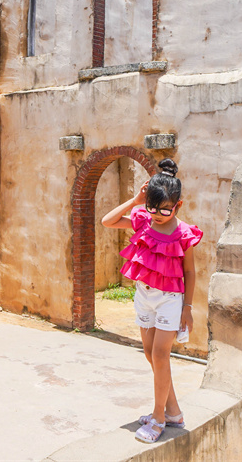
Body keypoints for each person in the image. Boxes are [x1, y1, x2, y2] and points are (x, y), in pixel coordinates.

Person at [100, 158, 203, 444]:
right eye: (153, 208)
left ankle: (158, 418)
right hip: (143, 296)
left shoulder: (184, 233)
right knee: (149, 353)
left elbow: (190, 271)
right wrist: (135, 199)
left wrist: (188, 308)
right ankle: (173, 412)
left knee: (160, 355)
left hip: (171, 300)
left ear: (178, 205)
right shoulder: (143, 220)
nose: (158, 215)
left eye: (165, 210)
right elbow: (107, 221)